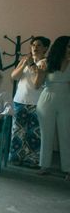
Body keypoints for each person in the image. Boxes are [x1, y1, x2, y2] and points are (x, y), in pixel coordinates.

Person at [9, 36, 50, 168]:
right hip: (20, 100)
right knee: (18, 131)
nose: (35, 48)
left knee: (33, 133)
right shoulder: (25, 60)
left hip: (37, 103)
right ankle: (16, 157)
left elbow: (37, 84)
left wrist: (32, 65)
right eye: (33, 45)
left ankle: (32, 159)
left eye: (38, 45)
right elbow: (14, 76)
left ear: (45, 48)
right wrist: (24, 64)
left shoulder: (45, 62)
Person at [34, 36, 70, 180]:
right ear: (60, 48)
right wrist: (41, 72)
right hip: (46, 99)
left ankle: (67, 168)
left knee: (66, 134)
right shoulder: (46, 62)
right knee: (46, 134)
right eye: (68, 47)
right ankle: (44, 165)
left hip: (66, 100)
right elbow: (37, 85)